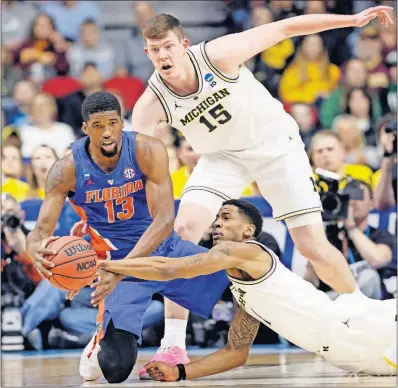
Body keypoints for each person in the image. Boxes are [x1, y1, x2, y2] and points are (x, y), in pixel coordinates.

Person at [129, 6, 394, 369]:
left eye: (168, 47)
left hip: (275, 147)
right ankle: (173, 344)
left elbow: (285, 28)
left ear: (183, 45)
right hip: (222, 158)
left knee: (311, 244)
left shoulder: (218, 55)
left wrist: (349, 21)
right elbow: (134, 167)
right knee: (183, 229)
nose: (162, 55)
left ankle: (366, 314)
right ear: (147, 53)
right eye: (155, 49)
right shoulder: (150, 103)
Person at [25, 91, 229, 384]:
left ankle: (173, 344)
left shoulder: (148, 149)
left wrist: (124, 269)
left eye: (113, 123)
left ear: (122, 122)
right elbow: (42, 229)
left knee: (241, 280)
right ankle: (99, 340)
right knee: (116, 370)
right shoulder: (66, 169)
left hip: (162, 249)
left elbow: (164, 220)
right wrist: (34, 246)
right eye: (98, 126)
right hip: (117, 263)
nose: (107, 133)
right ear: (85, 128)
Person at [99, 199, 397, 381]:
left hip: (361, 325)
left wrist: (114, 266)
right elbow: (235, 353)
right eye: (216, 219)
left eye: (226, 217)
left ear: (249, 231)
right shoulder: (246, 290)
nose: (216, 223)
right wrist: (180, 373)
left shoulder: (248, 251)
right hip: (349, 354)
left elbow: (172, 268)